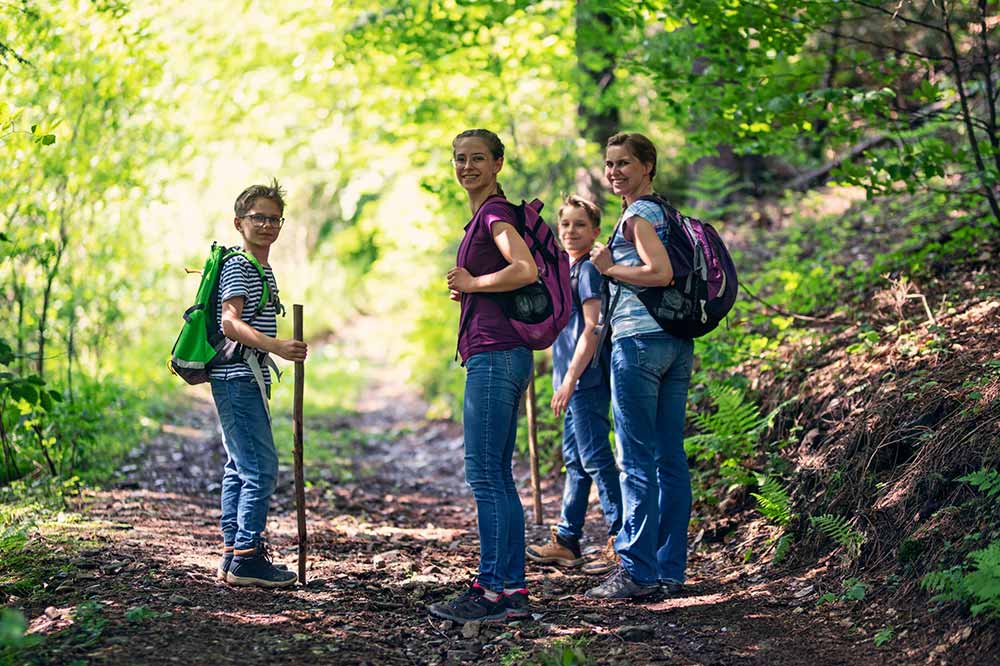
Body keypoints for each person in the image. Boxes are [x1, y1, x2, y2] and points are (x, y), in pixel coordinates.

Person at [427, 129, 537, 624]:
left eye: (477, 158)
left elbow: (525, 269)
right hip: (500, 354)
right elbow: (504, 276)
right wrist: (474, 290)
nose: (466, 166)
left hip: (496, 355)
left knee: (486, 475)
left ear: (498, 163)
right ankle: (508, 588)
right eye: (459, 158)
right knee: (496, 475)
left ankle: (493, 591)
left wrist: (474, 281)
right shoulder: (485, 216)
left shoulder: (494, 215)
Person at [585, 133, 695, 599]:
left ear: (647, 166)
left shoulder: (637, 216)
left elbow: (660, 273)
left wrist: (609, 268)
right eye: (610, 164)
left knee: (636, 461)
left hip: (638, 343)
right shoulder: (666, 213)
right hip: (675, 342)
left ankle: (637, 571)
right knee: (670, 458)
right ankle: (670, 569)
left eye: (624, 163)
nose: (614, 172)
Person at [212, 179, 307, 588]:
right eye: (258, 218)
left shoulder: (260, 267)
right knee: (260, 469)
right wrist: (277, 346)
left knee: (240, 467)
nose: (267, 225)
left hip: (243, 376)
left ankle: (234, 554)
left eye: (274, 219)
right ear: (239, 222)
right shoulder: (240, 266)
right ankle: (247, 558)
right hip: (237, 376)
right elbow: (229, 323)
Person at [525, 195, 622, 575]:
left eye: (580, 224)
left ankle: (622, 539)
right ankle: (567, 541)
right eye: (565, 224)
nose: (571, 231)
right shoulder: (565, 270)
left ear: (595, 231)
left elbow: (593, 328)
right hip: (569, 381)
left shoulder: (589, 272)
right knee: (575, 463)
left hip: (586, 380)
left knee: (596, 459)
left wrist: (570, 380)